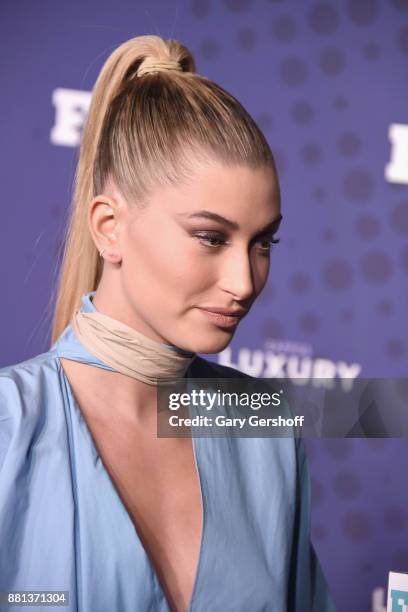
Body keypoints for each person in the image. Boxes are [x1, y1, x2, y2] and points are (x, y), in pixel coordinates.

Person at [0, 35, 337, 612]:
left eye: (262, 243)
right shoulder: (9, 426)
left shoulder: (265, 427)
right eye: (210, 237)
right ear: (109, 227)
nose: (245, 281)